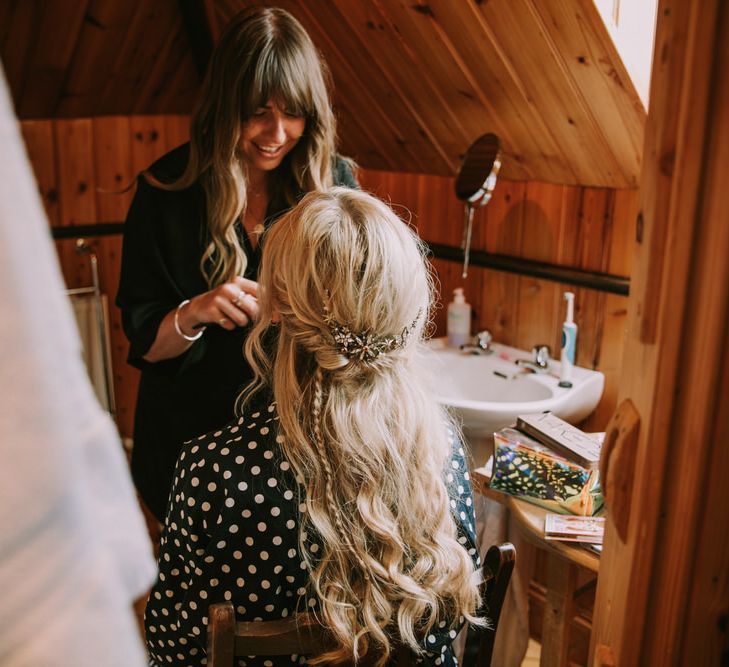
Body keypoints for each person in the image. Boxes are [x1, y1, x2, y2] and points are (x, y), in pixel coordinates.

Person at [145, 188, 483, 666]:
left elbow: (171, 645)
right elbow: (446, 628)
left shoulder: (213, 471)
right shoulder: (440, 453)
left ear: (276, 307)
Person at [116, 7, 358, 522]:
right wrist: (195, 311)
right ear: (225, 106)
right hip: (188, 445)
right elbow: (146, 342)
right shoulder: (166, 192)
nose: (276, 132)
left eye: (292, 112)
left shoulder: (334, 185)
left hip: (296, 451)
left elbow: (359, 316)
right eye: (257, 112)